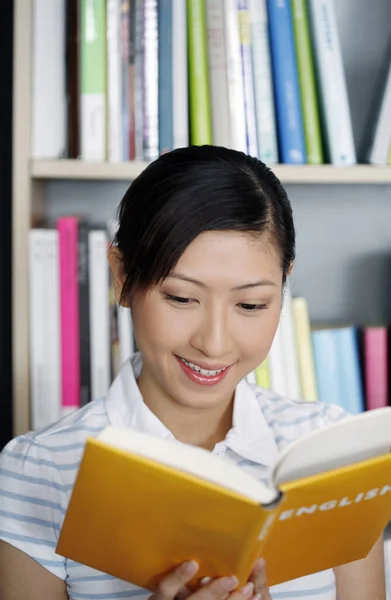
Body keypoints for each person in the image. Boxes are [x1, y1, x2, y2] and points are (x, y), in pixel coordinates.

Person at [0, 146, 386, 600]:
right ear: (122, 277)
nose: (214, 343)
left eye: (250, 305)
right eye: (182, 298)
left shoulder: (333, 455)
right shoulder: (38, 471)